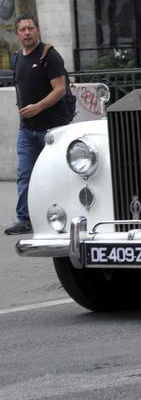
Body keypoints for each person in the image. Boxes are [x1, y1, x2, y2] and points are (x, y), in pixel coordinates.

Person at [7, 14, 74, 235]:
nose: (27, 33)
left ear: (37, 30)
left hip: (52, 128)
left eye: (31, 28)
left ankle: (64, 216)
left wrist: (38, 107)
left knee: (56, 174)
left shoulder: (49, 55)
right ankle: (24, 219)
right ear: (17, 34)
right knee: (25, 174)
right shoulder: (17, 58)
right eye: (23, 29)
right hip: (27, 128)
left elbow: (60, 89)